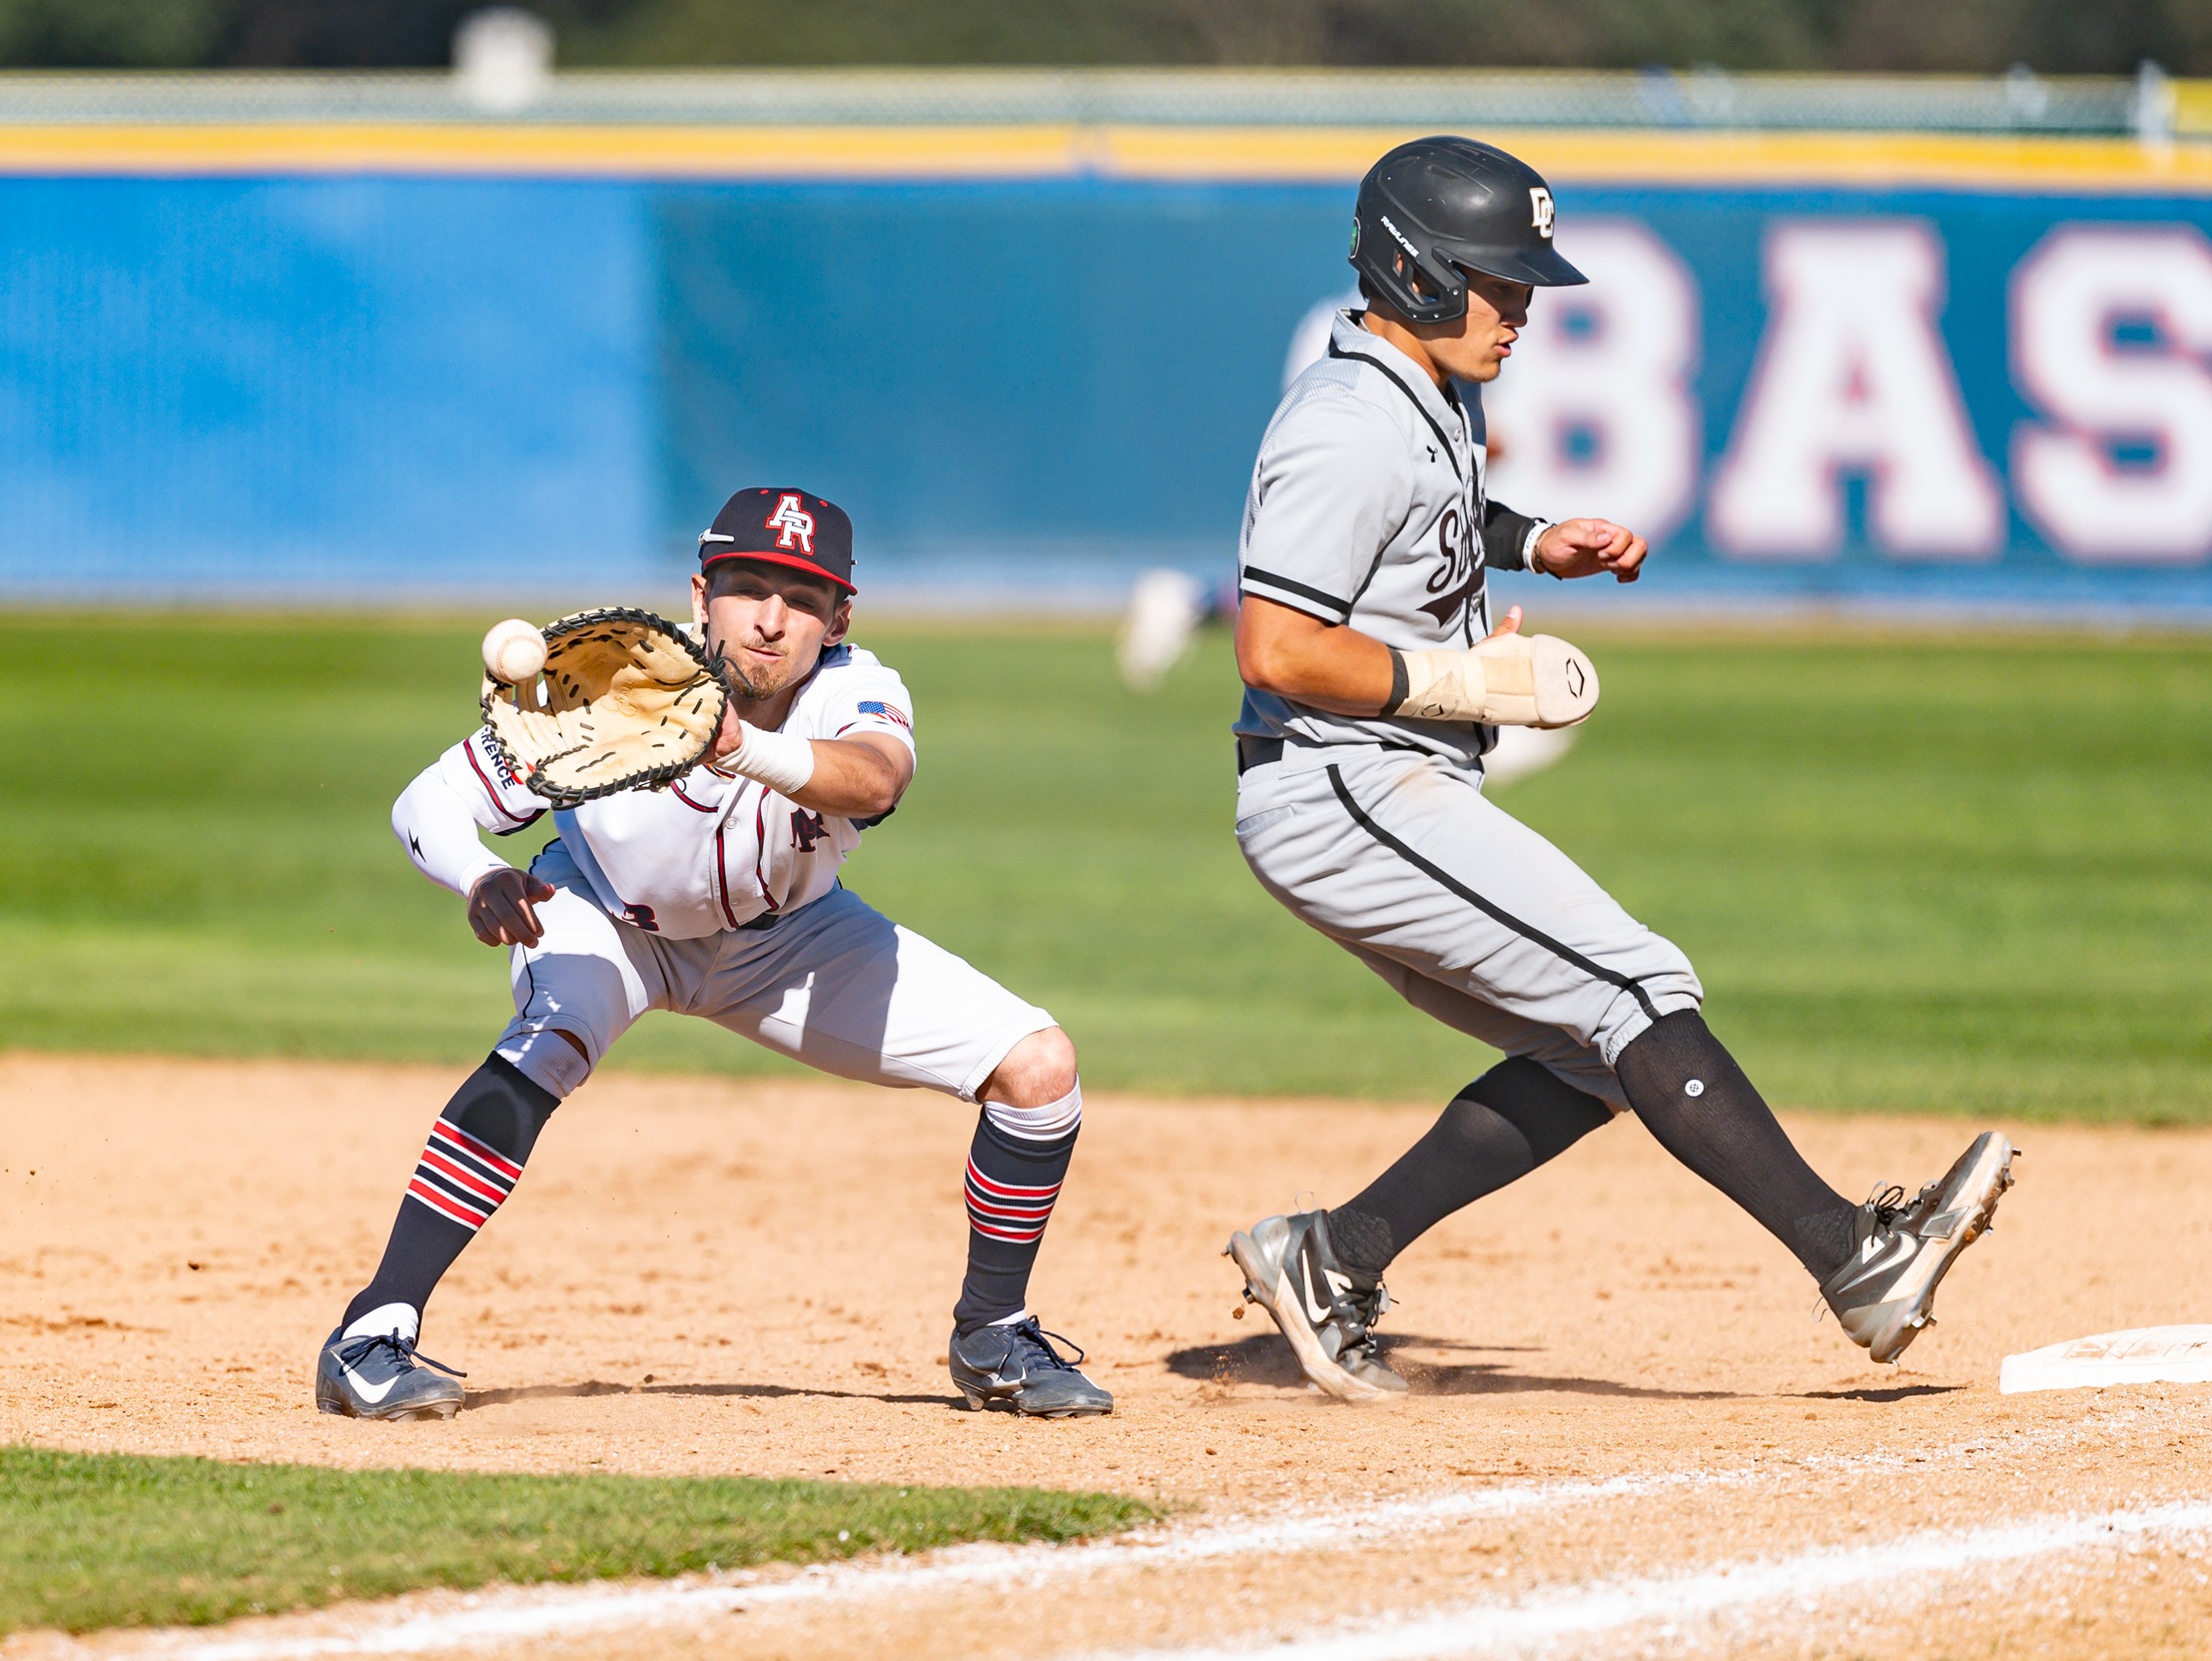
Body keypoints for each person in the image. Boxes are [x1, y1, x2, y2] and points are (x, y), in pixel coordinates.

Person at [1223, 138, 2014, 1400]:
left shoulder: (1417, 395)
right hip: (1340, 783)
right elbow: (1276, 644)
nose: (1523, 307)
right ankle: (1855, 1258)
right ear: (1419, 273)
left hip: (1385, 776)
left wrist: (1533, 539)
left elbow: (1423, 515)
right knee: (1638, 986)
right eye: (1501, 280)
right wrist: (1456, 681)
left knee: (1593, 1046)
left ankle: (1332, 1255)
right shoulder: (1345, 422)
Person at [317, 487, 1111, 1421]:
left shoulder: (856, 688)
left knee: (1039, 1067)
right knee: (552, 1036)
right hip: (603, 916)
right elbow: (428, 802)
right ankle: (372, 1332)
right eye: (747, 588)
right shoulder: (609, 690)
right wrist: (478, 874)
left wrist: (740, 746)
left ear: (839, 618)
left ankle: (991, 1332)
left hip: (792, 941)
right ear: (701, 594)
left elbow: (875, 778)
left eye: (803, 598)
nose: (771, 620)